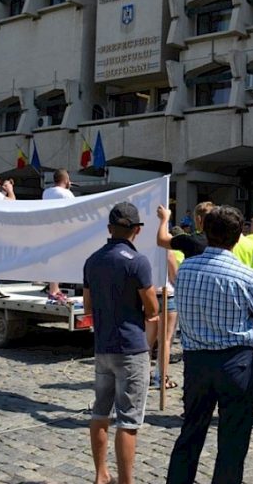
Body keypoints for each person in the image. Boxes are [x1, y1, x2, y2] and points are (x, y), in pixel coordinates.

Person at [166, 206, 253, 484]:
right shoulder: (246, 276)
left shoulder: (186, 268)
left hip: (196, 362)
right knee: (233, 439)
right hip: (235, 361)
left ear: (204, 231)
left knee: (191, 431)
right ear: (238, 237)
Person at [83, 202, 157, 484]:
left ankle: (101, 474)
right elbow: (152, 309)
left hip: (103, 346)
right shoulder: (137, 261)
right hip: (131, 346)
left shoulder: (92, 260)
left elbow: (88, 307)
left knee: (100, 412)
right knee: (128, 420)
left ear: (109, 229)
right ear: (137, 230)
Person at [146, 251, 180, 390]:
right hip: (167, 296)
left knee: (147, 341)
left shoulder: (143, 250)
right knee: (165, 341)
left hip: (149, 295)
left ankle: (143, 377)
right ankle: (161, 378)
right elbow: (174, 277)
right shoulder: (167, 252)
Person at [42, 168, 75, 302]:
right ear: (66, 180)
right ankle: (54, 290)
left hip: (49, 228)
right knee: (58, 260)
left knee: (53, 259)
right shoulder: (67, 194)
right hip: (61, 229)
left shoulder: (46, 192)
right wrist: (68, 189)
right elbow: (74, 210)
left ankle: (54, 289)